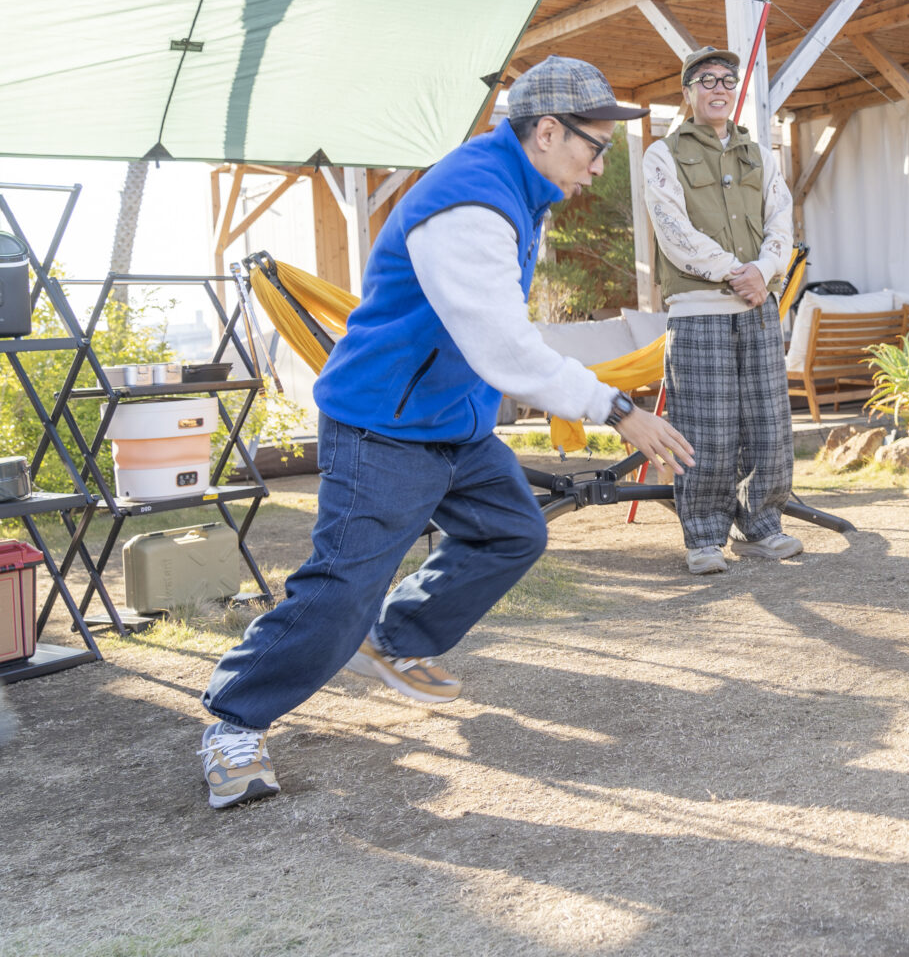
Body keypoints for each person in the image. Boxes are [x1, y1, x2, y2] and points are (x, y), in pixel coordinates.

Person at [196, 56, 697, 809]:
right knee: (341, 591)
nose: (599, 166)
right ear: (547, 132)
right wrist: (620, 410)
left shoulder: (519, 188)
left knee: (511, 533)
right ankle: (234, 720)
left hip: (448, 419)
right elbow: (502, 348)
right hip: (383, 424)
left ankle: (394, 639)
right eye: (595, 147)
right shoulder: (469, 205)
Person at [642, 46, 799, 574]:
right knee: (706, 428)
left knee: (769, 427)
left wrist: (767, 269)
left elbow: (781, 219)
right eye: (705, 80)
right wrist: (738, 271)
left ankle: (761, 528)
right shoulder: (662, 155)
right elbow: (673, 230)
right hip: (700, 308)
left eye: (727, 80)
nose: (717, 88)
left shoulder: (761, 155)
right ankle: (704, 536)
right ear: (687, 93)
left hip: (758, 304)